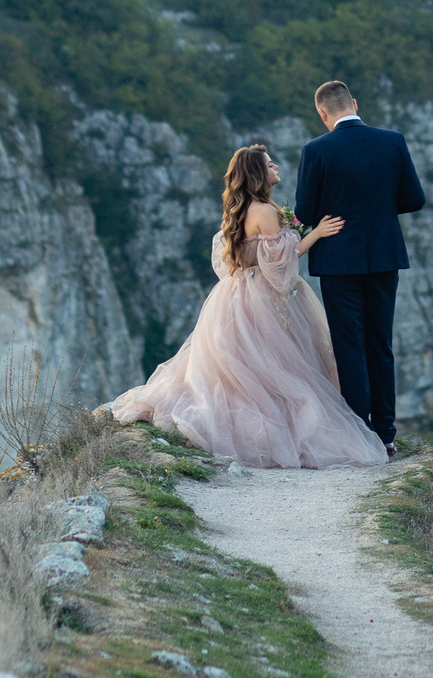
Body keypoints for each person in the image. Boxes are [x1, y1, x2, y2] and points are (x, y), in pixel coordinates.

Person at [104, 143, 388, 468]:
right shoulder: (265, 211)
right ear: (257, 173)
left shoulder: (244, 208)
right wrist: (318, 233)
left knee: (251, 368)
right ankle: (277, 433)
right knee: (274, 366)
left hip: (236, 295)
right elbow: (281, 262)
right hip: (260, 297)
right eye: (269, 164)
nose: (276, 167)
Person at [291, 79, 425, 455]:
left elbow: (304, 211)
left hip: (337, 260)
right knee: (380, 342)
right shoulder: (392, 140)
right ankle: (385, 432)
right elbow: (414, 199)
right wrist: (379, 209)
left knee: (349, 346)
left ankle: (359, 432)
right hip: (383, 256)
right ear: (354, 103)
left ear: (322, 114)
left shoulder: (316, 150)